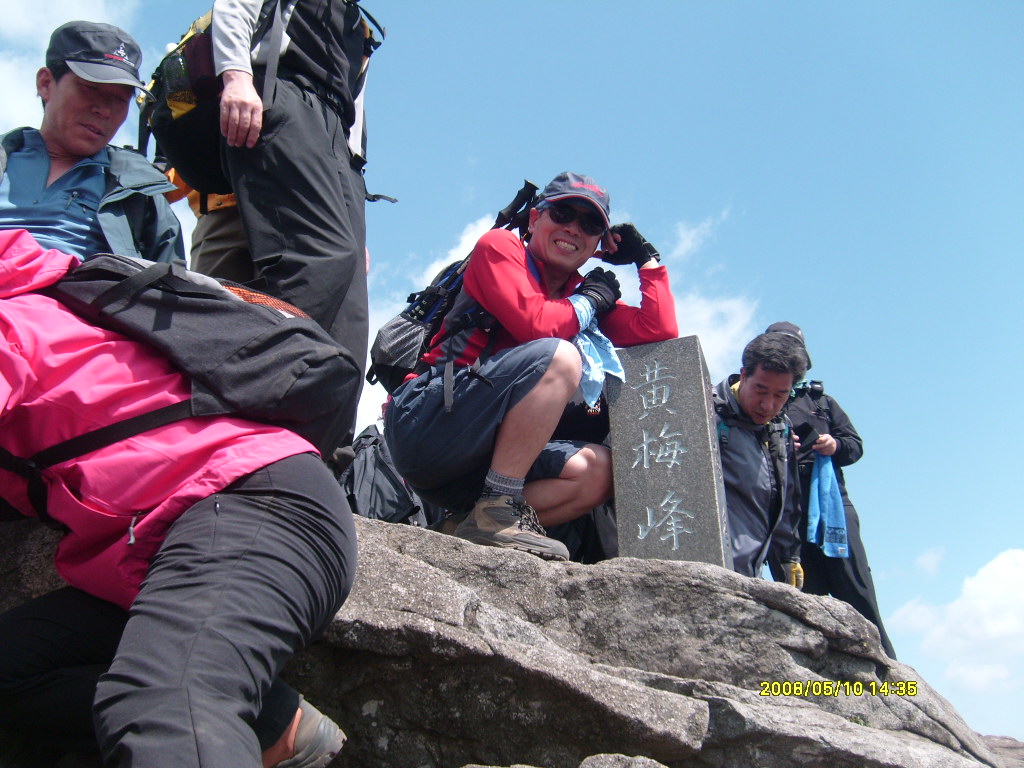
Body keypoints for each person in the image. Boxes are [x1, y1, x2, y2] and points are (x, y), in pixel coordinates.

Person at [0, 228, 356, 767]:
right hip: (158, 562)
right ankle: (272, 725)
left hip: (256, 501)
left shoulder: (20, 320)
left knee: (163, 701)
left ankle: (210, 719)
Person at [384, 172, 678, 562]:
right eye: (562, 214)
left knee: (599, 471)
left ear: (597, 246)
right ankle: (496, 511)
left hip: (478, 467)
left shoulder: (578, 299)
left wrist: (646, 259)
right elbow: (537, 323)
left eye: (589, 225)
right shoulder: (500, 247)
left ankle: (469, 525)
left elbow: (658, 328)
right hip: (430, 423)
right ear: (536, 219)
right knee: (561, 357)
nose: (573, 228)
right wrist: (591, 301)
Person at [210, 0, 377, 453]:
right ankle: (240, 412)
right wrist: (237, 76)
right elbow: (234, 7)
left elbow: (353, 108)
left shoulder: (355, 22)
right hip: (284, 97)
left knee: (352, 309)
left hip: (339, 145)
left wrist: (352, 213)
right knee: (320, 262)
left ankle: (323, 456)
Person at [763, 321, 896, 658]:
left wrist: (833, 444)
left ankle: (887, 671)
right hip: (782, 509)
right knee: (798, 593)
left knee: (856, 586)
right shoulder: (757, 398)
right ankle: (808, 673)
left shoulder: (821, 402)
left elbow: (855, 445)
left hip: (831, 503)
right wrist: (776, 447)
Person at [0, 21, 184, 264]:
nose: (104, 110)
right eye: (90, 89)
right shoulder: (7, 159)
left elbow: (170, 286)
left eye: (120, 100)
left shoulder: (141, 192)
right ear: (46, 83)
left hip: (78, 299)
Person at [712, 331, 807, 583]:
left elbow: (787, 495)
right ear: (744, 375)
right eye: (761, 390)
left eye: (780, 395)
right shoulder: (706, 413)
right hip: (706, 570)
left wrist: (789, 556)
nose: (768, 405)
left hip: (751, 575)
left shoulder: (780, 428)